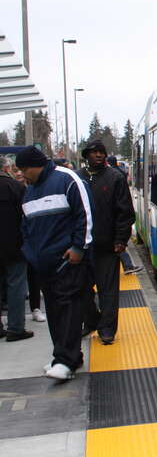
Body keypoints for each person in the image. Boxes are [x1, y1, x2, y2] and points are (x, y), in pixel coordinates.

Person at [17, 146, 93, 380]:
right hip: (43, 264)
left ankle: (65, 360)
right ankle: (64, 355)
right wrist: (29, 253)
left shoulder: (67, 180)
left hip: (67, 261)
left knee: (69, 309)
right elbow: (26, 226)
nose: (21, 174)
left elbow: (85, 213)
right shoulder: (30, 192)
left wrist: (79, 247)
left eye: (23, 169)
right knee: (55, 312)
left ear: (35, 165)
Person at [78, 141, 135, 345]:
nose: (99, 155)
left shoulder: (115, 178)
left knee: (108, 291)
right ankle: (92, 320)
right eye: (94, 152)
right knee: (80, 288)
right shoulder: (78, 177)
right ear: (87, 155)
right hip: (82, 246)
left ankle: (107, 330)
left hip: (107, 245)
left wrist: (121, 239)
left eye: (102, 152)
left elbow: (125, 212)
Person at [0, 155, 34, 341]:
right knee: (16, 286)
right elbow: (28, 215)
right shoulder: (15, 187)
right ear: (6, 169)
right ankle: (15, 328)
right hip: (14, 246)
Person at [107, 155, 142, 275]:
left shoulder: (111, 175)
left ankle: (128, 266)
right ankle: (128, 266)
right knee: (118, 245)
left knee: (117, 245)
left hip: (113, 220)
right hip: (117, 220)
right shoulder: (120, 172)